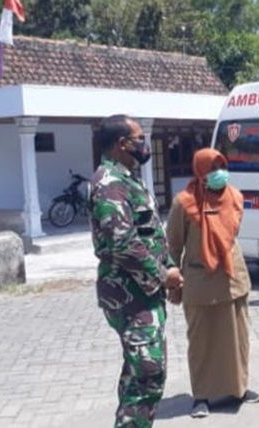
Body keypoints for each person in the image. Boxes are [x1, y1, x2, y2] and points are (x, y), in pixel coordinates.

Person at [88, 114, 183, 428]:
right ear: (122, 144)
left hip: (142, 292)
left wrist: (169, 269)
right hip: (128, 294)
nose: (145, 144)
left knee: (141, 373)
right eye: (139, 139)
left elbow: (149, 234)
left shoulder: (127, 177)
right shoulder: (109, 183)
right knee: (147, 373)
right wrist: (161, 275)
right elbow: (123, 243)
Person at [167, 148, 259, 418]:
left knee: (237, 338)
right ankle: (202, 396)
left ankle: (239, 389)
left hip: (233, 277)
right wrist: (172, 279)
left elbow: (231, 235)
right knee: (201, 341)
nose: (218, 173)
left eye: (221, 166)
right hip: (199, 280)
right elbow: (172, 245)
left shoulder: (235, 196)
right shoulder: (184, 202)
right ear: (199, 171)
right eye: (211, 168)